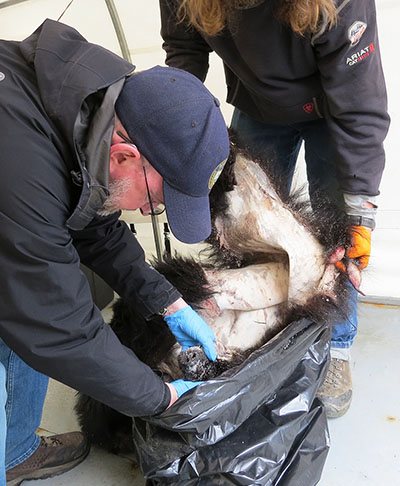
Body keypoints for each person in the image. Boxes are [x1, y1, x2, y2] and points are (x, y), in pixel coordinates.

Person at [0, 19, 230, 485]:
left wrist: (169, 302)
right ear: (126, 156)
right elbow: (58, 327)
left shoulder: (85, 109)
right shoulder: (20, 159)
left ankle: (15, 448)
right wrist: (160, 398)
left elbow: (95, 225)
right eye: (156, 201)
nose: (151, 211)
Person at [159, 0, 390, 418]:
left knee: (336, 243)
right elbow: (184, 54)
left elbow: (359, 102)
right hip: (257, 104)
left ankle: (335, 347)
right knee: (243, 227)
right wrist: (171, 127)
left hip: (332, 109)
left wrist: (360, 213)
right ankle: (262, 329)